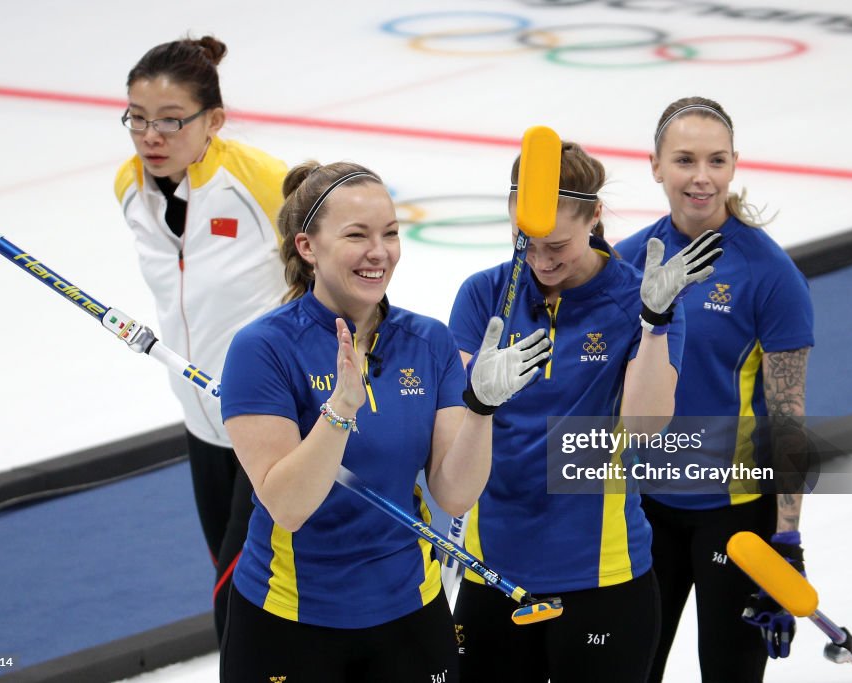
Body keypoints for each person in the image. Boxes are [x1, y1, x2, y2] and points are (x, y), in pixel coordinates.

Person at [218, 161, 551, 682]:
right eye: (357, 235)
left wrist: (482, 408)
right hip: (293, 620)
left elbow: (454, 495)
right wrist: (340, 410)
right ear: (308, 247)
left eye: (391, 233)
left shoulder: (428, 342)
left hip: (409, 616)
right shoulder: (262, 350)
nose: (380, 252)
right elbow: (288, 505)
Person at [448, 141, 723, 683]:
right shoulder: (483, 296)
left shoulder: (638, 297)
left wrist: (653, 323)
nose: (541, 261)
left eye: (558, 246)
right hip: (492, 573)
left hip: (601, 577)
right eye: (524, 244)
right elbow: (458, 434)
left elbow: (645, 428)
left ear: (595, 216)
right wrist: (477, 400)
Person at [615, 96, 815, 682]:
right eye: (684, 160)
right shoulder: (628, 264)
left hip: (733, 516)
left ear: (734, 166)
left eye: (716, 161)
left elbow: (789, 419)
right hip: (642, 511)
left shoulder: (769, 275)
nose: (701, 178)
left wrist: (788, 541)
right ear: (655, 166)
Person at [114, 35, 289, 642]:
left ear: (213, 120)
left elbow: (340, 272)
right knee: (227, 568)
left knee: (238, 592)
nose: (149, 137)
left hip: (270, 416)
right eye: (136, 120)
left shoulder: (265, 183)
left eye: (169, 121)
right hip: (197, 415)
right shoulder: (129, 189)